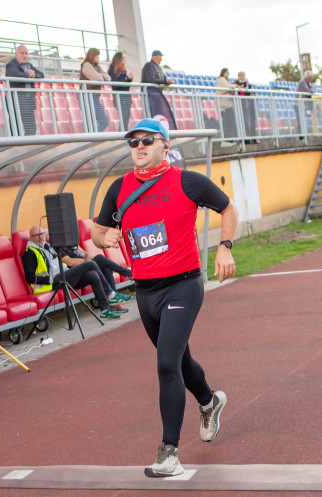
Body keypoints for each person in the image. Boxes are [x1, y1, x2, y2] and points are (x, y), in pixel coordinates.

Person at [91, 118, 237, 477]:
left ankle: (168, 452)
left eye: (147, 140)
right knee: (179, 359)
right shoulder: (120, 187)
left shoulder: (186, 181)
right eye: (132, 142)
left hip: (182, 285)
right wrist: (103, 239)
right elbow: (98, 230)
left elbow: (228, 209)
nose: (138, 147)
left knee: (166, 363)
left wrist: (225, 248)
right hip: (146, 291)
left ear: (165, 146)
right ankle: (209, 400)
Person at [20, 226, 126, 319]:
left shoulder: (48, 247)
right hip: (52, 282)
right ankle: (111, 293)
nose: (41, 237)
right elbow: (29, 277)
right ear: (31, 238)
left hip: (64, 276)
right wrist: (50, 278)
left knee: (93, 275)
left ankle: (105, 310)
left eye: (42, 233)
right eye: (37, 235)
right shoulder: (29, 253)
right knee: (90, 264)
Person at [5, 44, 45, 136]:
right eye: (22, 53)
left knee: (31, 128)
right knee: (16, 127)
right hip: (15, 101)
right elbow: (14, 75)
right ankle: (16, 147)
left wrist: (33, 75)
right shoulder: (11, 65)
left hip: (28, 101)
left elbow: (41, 75)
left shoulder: (29, 65)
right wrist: (27, 74)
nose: (25, 56)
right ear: (16, 54)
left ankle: (28, 147)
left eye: (26, 53)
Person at [141, 49, 177, 130]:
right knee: (154, 114)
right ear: (156, 57)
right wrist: (165, 81)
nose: (161, 59)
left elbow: (163, 79)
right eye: (160, 56)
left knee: (159, 113)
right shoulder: (149, 65)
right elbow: (151, 79)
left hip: (157, 94)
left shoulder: (158, 67)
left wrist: (167, 82)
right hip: (151, 94)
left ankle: (161, 129)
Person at [80, 47, 111, 132]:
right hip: (87, 96)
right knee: (101, 122)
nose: (98, 58)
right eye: (97, 56)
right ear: (92, 56)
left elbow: (108, 78)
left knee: (102, 122)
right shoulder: (86, 65)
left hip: (94, 96)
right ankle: (92, 138)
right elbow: (99, 78)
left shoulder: (97, 66)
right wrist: (101, 75)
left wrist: (101, 75)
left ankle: (92, 137)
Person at [107, 52, 133, 129]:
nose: (125, 59)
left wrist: (129, 79)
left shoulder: (123, 69)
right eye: (123, 58)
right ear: (119, 59)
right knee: (123, 117)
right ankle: (121, 134)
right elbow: (116, 84)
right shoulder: (113, 69)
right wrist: (126, 78)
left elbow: (125, 84)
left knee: (126, 117)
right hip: (119, 97)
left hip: (126, 97)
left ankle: (123, 133)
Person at [234, 71, 257, 143]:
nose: (241, 77)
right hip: (241, 104)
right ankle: (245, 138)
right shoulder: (236, 83)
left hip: (249, 104)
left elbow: (250, 92)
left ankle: (253, 138)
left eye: (242, 75)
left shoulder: (248, 84)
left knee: (251, 121)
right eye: (240, 76)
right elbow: (238, 92)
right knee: (244, 121)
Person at [215, 68, 237, 138]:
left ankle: (230, 137)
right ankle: (228, 138)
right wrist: (236, 86)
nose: (227, 74)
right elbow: (228, 86)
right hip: (224, 106)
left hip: (226, 105)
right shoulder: (221, 79)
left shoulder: (224, 80)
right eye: (226, 72)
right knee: (227, 122)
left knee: (228, 122)